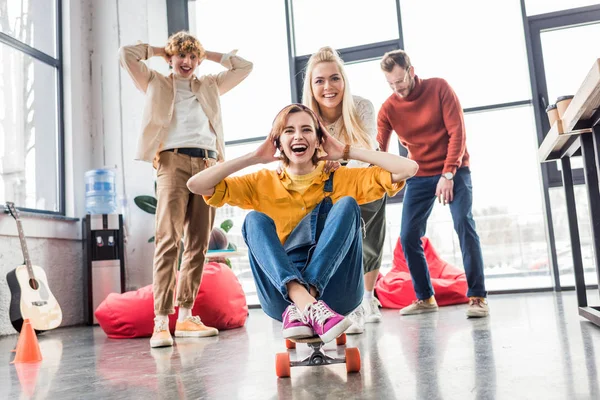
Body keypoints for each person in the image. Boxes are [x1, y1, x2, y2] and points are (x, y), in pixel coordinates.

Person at [187, 104, 418, 342]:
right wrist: (254, 157)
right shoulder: (261, 182)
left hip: (338, 291)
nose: (298, 136)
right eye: (289, 131)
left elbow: (409, 168)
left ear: (319, 140)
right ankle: (304, 301)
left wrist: (346, 151)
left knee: (347, 205)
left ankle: (307, 302)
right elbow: (197, 185)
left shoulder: (340, 177)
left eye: (307, 129)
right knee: (253, 221)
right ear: (277, 142)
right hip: (282, 297)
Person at [119, 31, 253, 347]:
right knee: (168, 239)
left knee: (198, 242)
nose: (187, 62)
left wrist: (209, 54)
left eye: (193, 57)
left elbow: (244, 67)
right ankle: (161, 322)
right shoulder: (156, 82)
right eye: (181, 56)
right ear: (171, 58)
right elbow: (126, 53)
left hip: (208, 165)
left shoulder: (209, 84)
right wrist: (159, 50)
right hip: (172, 163)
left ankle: (187, 316)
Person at [377, 50, 489, 318]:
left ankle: (477, 297)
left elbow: (457, 132)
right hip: (418, 174)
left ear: (411, 71)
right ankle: (425, 297)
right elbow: (379, 147)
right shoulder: (389, 107)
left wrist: (448, 174)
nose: (397, 88)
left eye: (400, 81)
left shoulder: (439, 88)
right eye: (391, 84)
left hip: (455, 169)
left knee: (463, 223)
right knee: (407, 236)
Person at [301, 47, 386, 334]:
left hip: (366, 179)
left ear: (344, 80)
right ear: (311, 86)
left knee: (370, 242)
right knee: (343, 244)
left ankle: (367, 298)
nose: (328, 87)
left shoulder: (361, 107)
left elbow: (365, 149)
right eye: (320, 80)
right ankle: (351, 304)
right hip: (330, 188)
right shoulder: (305, 117)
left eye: (334, 78)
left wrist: (338, 157)